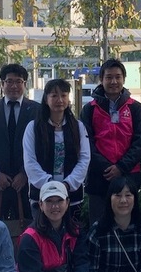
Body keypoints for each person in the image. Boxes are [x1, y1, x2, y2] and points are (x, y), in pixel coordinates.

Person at [80, 59, 141, 223]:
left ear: (124, 79)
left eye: (118, 77)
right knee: (99, 226)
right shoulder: (89, 109)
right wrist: (107, 168)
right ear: (101, 79)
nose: (113, 82)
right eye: (109, 77)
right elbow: (85, 143)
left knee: (128, 225)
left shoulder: (135, 108)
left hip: (128, 175)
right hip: (99, 177)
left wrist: (121, 167)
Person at [0, 63, 38, 221]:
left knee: (28, 227)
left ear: (25, 84)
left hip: (27, 182)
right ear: (2, 83)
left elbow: (41, 145)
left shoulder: (37, 110)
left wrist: (25, 173)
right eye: (9, 81)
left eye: (19, 81)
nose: (14, 86)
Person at [23, 78, 91, 211]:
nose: (59, 100)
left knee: (70, 231)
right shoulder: (33, 127)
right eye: (54, 95)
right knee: (42, 231)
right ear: (46, 99)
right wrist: (50, 185)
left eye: (64, 95)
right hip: (42, 196)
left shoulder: (78, 127)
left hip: (71, 195)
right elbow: (29, 161)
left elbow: (84, 158)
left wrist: (67, 184)